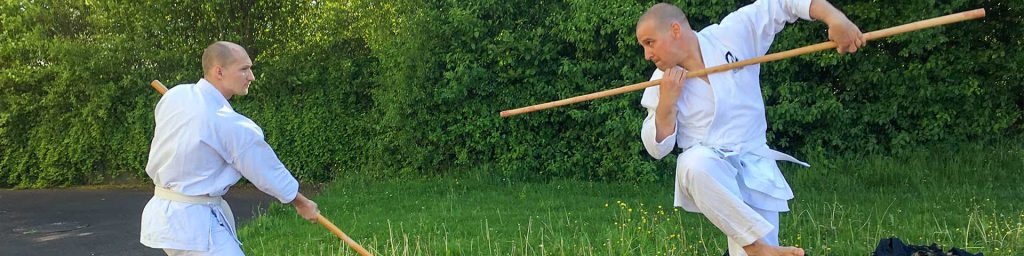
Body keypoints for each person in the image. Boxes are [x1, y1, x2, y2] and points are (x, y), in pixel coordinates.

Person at [636, 1, 863, 255]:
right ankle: (756, 247)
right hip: (711, 174)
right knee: (691, 163)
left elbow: (781, 3)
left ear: (675, 30)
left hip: (755, 166)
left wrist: (835, 19)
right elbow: (657, 149)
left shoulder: (731, 35)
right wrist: (667, 103)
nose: (647, 54)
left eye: (649, 42)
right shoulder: (660, 82)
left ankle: (755, 248)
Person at [140, 41, 321, 255]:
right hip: (193, 226)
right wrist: (301, 203)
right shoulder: (228, 123)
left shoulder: (176, 97)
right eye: (244, 69)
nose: (251, 76)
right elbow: (265, 170)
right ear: (219, 71)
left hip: (168, 218)